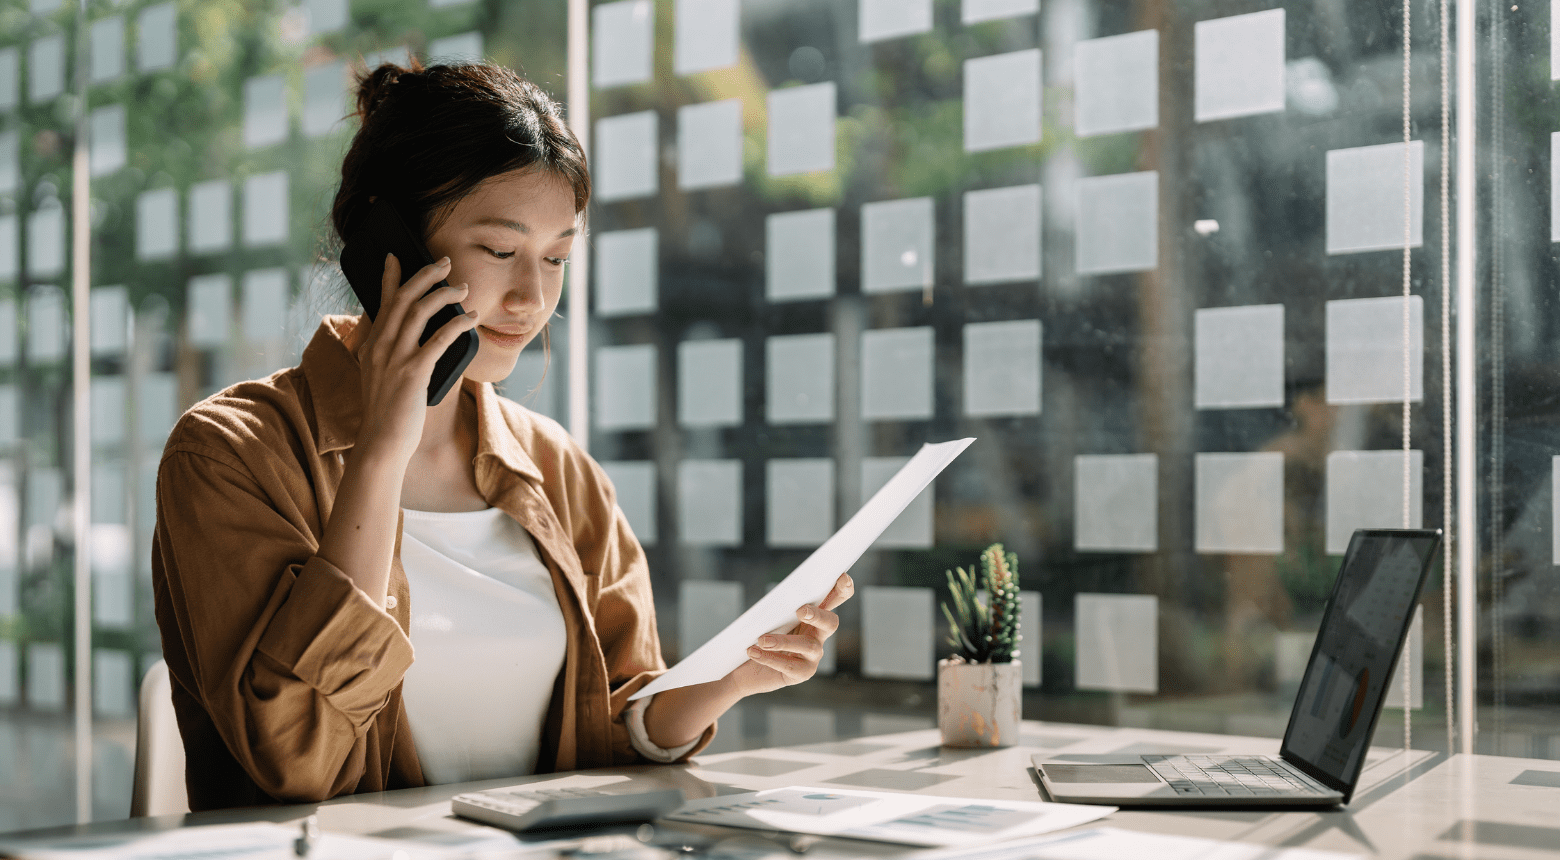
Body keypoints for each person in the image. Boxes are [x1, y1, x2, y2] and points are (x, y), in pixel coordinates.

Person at [151, 59, 853, 811]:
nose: (533, 298)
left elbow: (608, 731)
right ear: (390, 248)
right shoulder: (228, 453)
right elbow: (294, 762)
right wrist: (383, 448)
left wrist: (732, 677)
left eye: (556, 258)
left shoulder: (557, 470)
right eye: (498, 251)